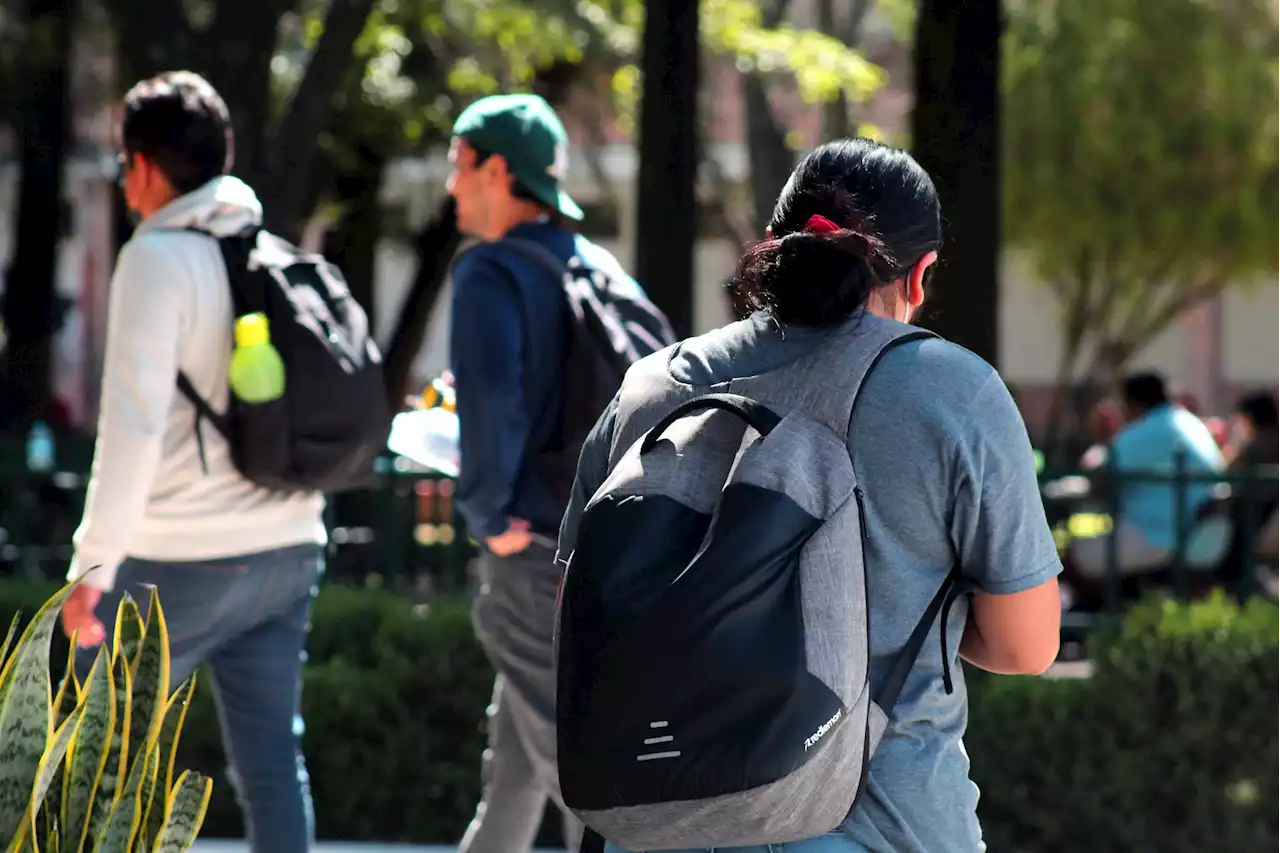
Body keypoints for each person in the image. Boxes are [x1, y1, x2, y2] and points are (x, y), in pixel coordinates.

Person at [558, 138, 1063, 853]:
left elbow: (578, 609)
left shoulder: (653, 386)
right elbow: (1027, 643)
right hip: (874, 824)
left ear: (772, 247)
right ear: (921, 275)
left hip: (650, 827)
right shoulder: (949, 391)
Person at [58, 71, 326, 853]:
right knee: (274, 767)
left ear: (141, 166)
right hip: (290, 547)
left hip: (180, 561)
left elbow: (133, 428)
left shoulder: (156, 257)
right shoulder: (269, 249)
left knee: (108, 769)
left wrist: (91, 572)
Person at [445, 92, 651, 853]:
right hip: (607, 544)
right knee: (518, 759)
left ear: (498, 170)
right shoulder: (598, 267)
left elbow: (492, 401)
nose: (451, 185)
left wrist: (489, 518)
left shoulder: (490, 272)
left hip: (531, 551)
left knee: (575, 765)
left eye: (458, 165)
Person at [1066, 371, 1224, 589]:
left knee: (1070, 559)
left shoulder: (1151, 428)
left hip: (1161, 535)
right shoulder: (1187, 421)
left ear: (1132, 403)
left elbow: (1096, 472)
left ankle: (1104, 616)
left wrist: (1101, 437)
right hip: (1193, 531)